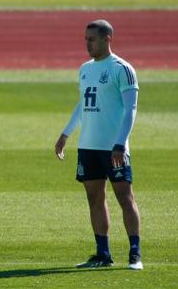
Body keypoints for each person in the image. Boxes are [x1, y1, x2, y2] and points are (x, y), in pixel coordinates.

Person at [54, 19, 143, 270]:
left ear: (107, 39)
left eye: (91, 39)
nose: (87, 44)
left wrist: (120, 143)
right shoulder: (85, 69)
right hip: (89, 146)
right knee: (94, 197)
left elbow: (130, 109)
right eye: (85, 39)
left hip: (113, 147)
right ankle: (103, 254)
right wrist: (66, 134)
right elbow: (83, 104)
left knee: (125, 197)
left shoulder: (122, 69)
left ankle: (135, 253)